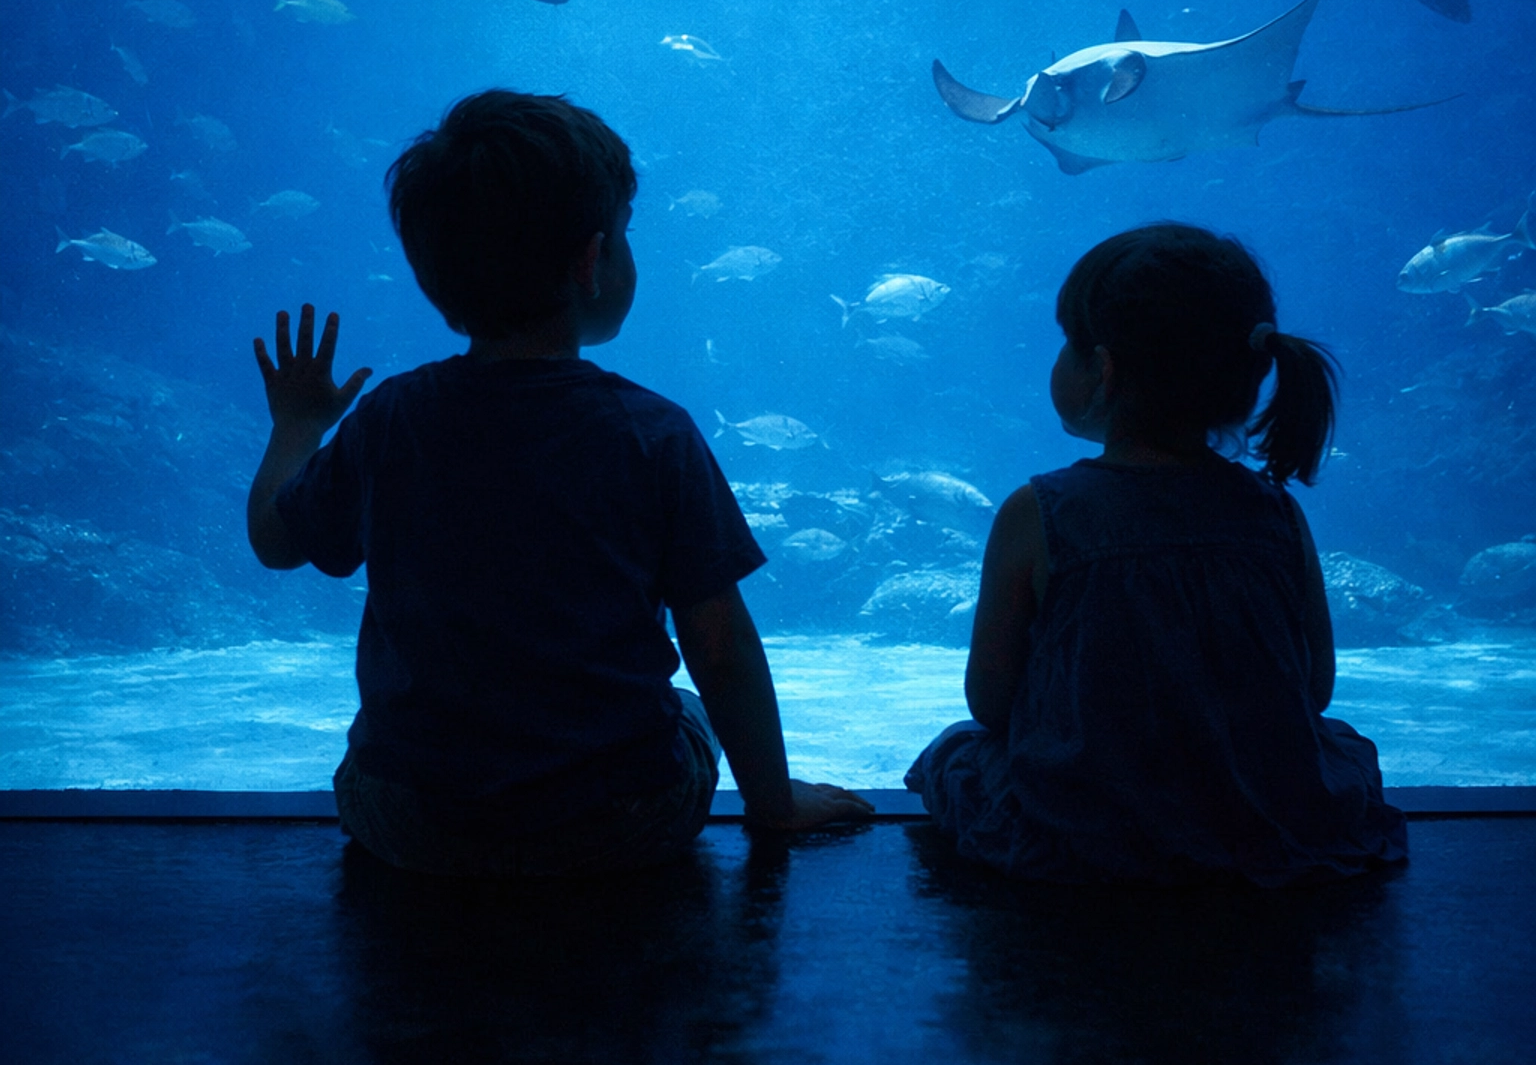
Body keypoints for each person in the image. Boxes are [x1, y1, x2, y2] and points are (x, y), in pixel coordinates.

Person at [246, 88, 871, 875]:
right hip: (614, 825)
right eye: (627, 237)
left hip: (411, 823)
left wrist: (298, 426)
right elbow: (718, 645)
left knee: (379, 759)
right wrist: (775, 803)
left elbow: (276, 539)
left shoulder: (391, 419)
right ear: (591, 262)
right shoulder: (653, 433)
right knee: (682, 714)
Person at [906, 223, 1407, 885]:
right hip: (1259, 823)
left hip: (1082, 833)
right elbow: (1312, 691)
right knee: (1340, 748)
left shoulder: (1037, 514)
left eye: (1068, 343)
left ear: (1103, 369)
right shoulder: (1277, 512)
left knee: (956, 754)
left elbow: (990, 703)